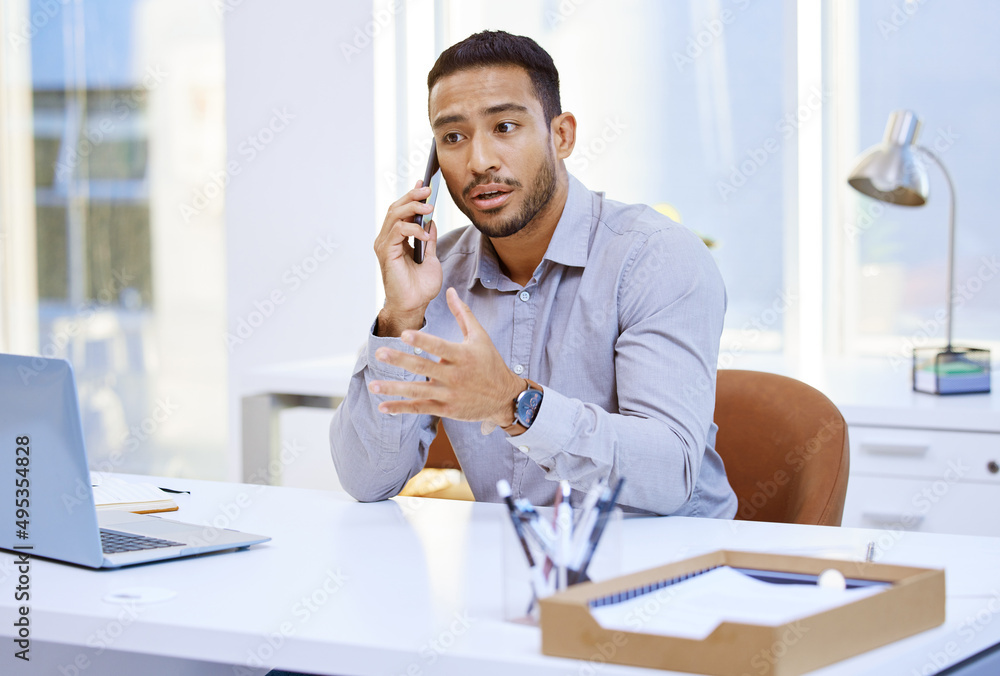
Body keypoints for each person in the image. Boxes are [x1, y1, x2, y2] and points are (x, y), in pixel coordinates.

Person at [330, 30, 736, 517]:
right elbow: (366, 481)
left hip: (667, 571)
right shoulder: (436, 276)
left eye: (504, 126)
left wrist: (514, 403)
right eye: (453, 137)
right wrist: (401, 316)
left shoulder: (656, 258)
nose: (479, 162)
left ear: (561, 135)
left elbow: (669, 474)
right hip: (517, 565)